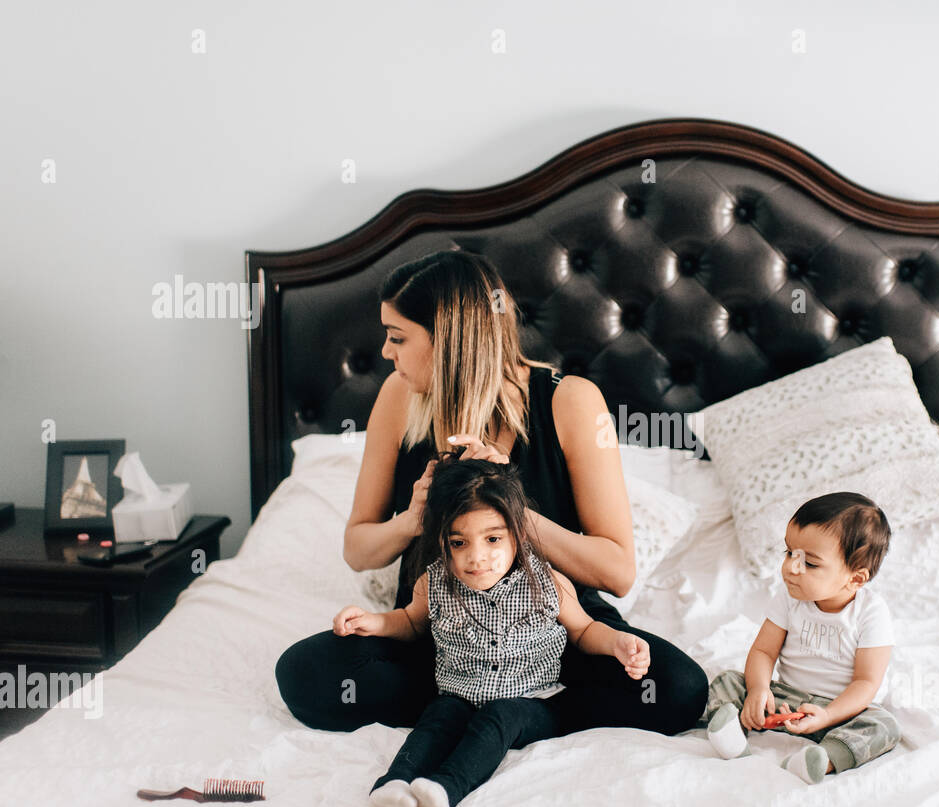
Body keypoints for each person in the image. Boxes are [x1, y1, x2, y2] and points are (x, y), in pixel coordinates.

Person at [274, 250, 707, 738]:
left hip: (553, 636)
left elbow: (618, 572)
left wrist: (513, 507)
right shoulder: (399, 397)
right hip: (438, 634)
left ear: (449, 341)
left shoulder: (571, 401)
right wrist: (415, 517)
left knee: (679, 689)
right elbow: (358, 549)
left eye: (398, 337)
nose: (385, 354)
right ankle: (476, 702)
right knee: (304, 675)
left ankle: (523, 712)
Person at [343, 457, 650, 807]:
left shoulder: (547, 583)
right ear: (441, 540)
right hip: (462, 693)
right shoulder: (435, 583)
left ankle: (446, 788)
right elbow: (410, 622)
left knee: (499, 717)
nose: (477, 558)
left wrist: (617, 642)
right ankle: (393, 785)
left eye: (492, 539)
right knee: (438, 716)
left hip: (533, 701)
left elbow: (583, 630)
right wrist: (374, 622)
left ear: (517, 533)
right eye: (459, 543)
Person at [703, 492, 902, 783]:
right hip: (782, 700)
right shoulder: (788, 598)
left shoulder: (871, 613)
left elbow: (866, 683)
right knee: (728, 682)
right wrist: (759, 690)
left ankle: (823, 760)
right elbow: (763, 652)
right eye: (789, 553)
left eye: (809, 563)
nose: (790, 568)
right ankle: (732, 739)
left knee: (884, 725)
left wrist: (828, 715)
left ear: (855, 579)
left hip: (838, 712)